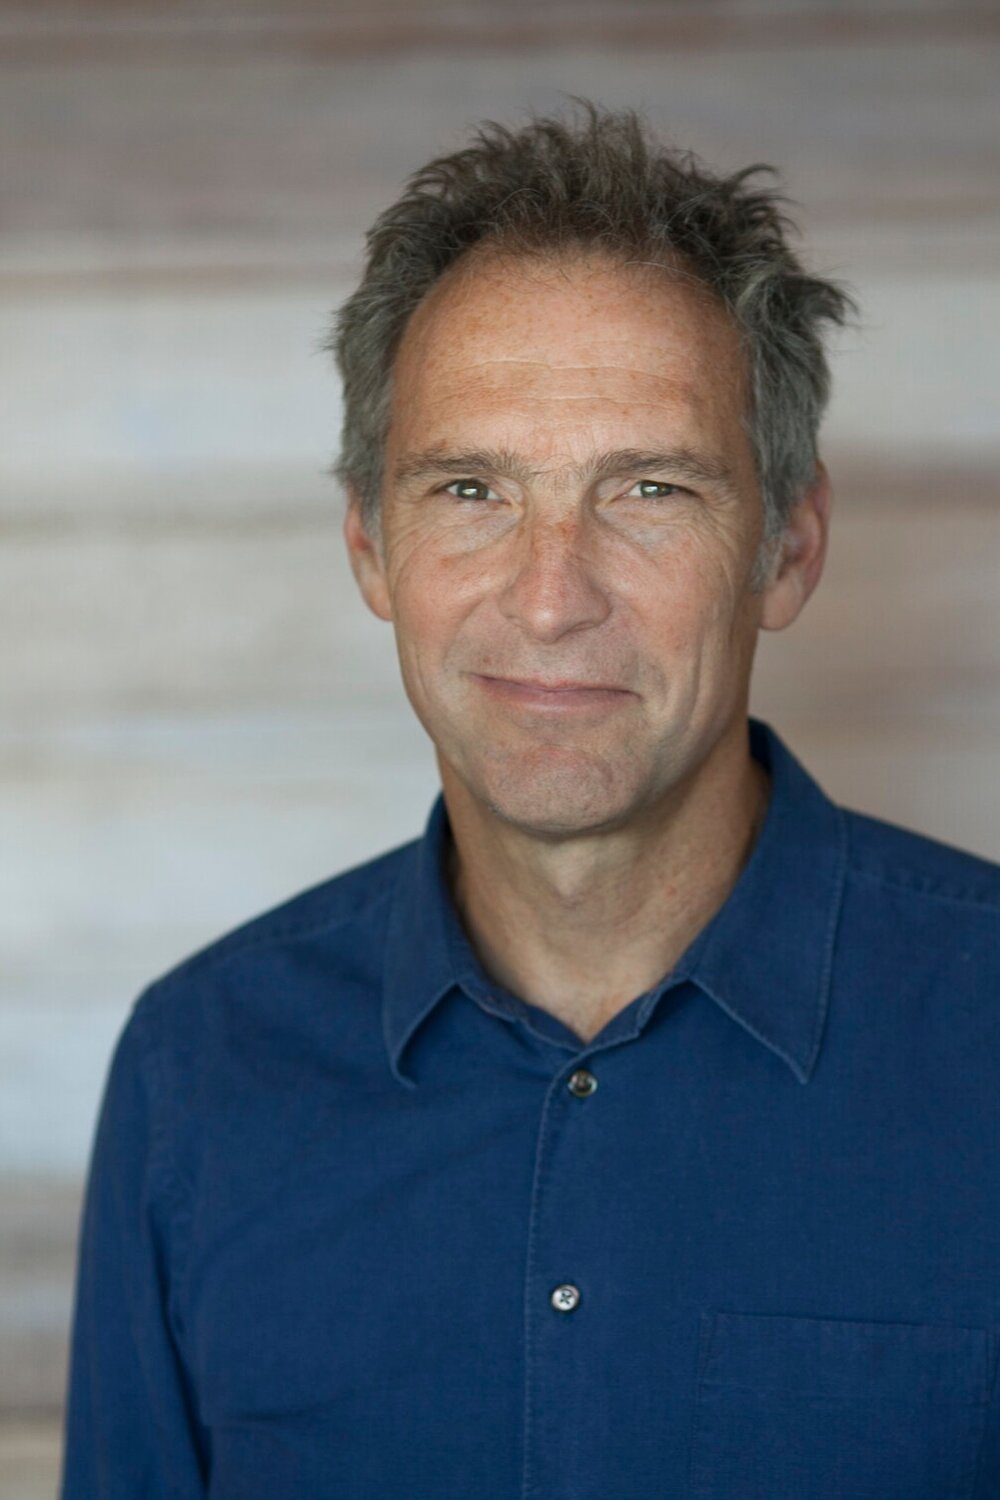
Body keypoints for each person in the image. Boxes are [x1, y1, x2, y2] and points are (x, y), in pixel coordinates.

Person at [61, 102, 1000, 1499]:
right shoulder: (198, 1074)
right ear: (372, 548)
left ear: (789, 549)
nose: (552, 596)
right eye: (470, 488)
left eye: (650, 488)